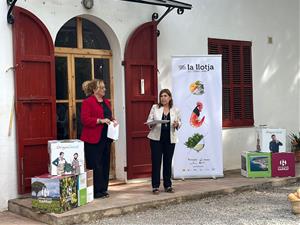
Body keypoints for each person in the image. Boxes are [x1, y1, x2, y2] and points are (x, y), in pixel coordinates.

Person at [80, 79, 116, 199]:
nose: (105, 90)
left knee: (105, 163)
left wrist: (113, 120)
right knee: (95, 164)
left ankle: (103, 189)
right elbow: (85, 120)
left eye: (104, 87)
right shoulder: (87, 102)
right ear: (95, 90)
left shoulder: (106, 102)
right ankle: (95, 191)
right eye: (102, 88)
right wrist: (100, 121)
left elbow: (108, 116)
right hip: (92, 139)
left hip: (106, 137)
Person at [146, 89, 181, 194]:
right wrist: (153, 123)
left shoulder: (175, 109)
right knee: (156, 162)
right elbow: (149, 121)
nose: (163, 98)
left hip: (170, 139)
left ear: (170, 97)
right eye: (161, 96)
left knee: (167, 162)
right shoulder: (155, 108)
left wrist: (177, 124)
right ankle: (155, 186)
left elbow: (179, 122)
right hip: (156, 139)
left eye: (165, 96)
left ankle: (168, 185)